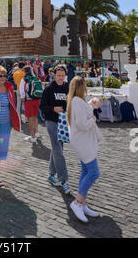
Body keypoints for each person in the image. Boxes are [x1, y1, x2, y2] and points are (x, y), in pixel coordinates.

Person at [67, 78, 103, 222]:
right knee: (94, 172)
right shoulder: (76, 101)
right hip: (83, 142)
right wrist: (93, 119)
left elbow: (81, 113)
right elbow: (82, 123)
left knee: (86, 171)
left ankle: (82, 203)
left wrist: (91, 105)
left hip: (82, 141)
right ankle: (77, 202)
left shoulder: (75, 100)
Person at [40, 65, 71, 194]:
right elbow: (42, 107)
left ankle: (51, 174)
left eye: (63, 76)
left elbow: (70, 103)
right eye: (58, 75)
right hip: (51, 121)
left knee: (57, 148)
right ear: (54, 75)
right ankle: (63, 180)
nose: (61, 78)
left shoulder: (67, 87)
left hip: (63, 122)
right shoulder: (48, 89)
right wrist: (53, 109)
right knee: (58, 149)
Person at [19, 66, 43, 143]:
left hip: (28, 100)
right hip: (37, 99)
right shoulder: (36, 78)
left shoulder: (24, 79)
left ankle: (32, 136)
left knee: (29, 118)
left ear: (24, 72)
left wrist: (23, 97)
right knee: (35, 116)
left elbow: (22, 90)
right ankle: (37, 133)